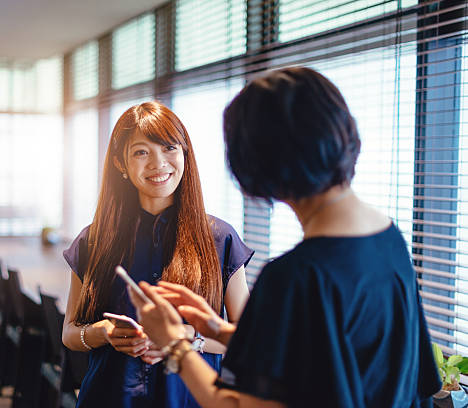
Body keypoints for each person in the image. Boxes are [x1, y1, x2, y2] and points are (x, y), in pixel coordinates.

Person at [129, 67, 441, 408]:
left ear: (256, 165)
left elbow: (235, 404)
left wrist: (175, 343)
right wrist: (219, 330)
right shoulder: (387, 239)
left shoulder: (295, 277)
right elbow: (328, 352)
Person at [61, 101, 254, 408]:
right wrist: (103, 332)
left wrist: (187, 336)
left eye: (169, 148)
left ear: (185, 155)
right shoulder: (94, 239)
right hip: (110, 397)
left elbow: (248, 340)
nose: (158, 163)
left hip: (190, 399)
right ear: (120, 164)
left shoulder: (220, 238)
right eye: (141, 152)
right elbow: (70, 333)